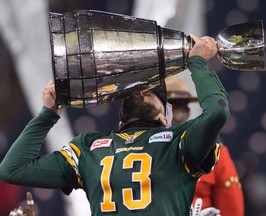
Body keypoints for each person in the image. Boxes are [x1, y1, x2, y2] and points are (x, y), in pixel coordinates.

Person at [0, 34, 229, 216]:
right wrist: (48, 114)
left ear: (164, 119)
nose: (142, 91)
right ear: (120, 117)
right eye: (137, 90)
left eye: (152, 93)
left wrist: (197, 63)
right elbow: (12, 169)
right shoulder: (87, 148)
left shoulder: (180, 141)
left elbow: (217, 111)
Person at [166, 75, 244, 216]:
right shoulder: (140, 148)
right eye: (169, 105)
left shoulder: (214, 152)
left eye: (181, 105)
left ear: (187, 112)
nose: (174, 113)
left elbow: (232, 209)